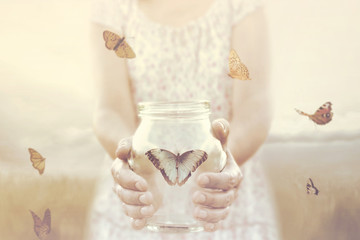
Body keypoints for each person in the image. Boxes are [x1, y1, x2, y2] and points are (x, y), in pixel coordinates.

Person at [87, 0, 279, 239]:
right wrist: (132, 159)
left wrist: (221, 161)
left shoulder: (238, 5)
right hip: (141, 198)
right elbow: (109, 109)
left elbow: (255, 102)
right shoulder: (113, 7)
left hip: (221, 202)